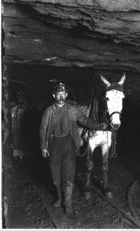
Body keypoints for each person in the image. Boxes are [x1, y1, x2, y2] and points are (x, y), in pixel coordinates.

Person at [40, 82, 106, 214]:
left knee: (68, 174)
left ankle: (68, 204)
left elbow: (85, 120)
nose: (60, 96)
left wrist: (100, 126)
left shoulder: (72, 109)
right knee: (55, 175)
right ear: (54, 95)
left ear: (66, 94)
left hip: (69, 145)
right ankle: (59, 198)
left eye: (63, 94)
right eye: (58, 94)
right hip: (53, 145)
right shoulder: (49, 111)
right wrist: (43, 146)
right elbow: (43, 129)